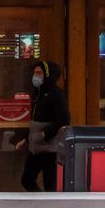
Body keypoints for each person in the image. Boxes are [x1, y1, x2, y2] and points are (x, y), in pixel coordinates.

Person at [18, 59, 68, 191]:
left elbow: (64, 119)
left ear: (47, 75)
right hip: (35, 147)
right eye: (34, 73)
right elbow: (35, 119)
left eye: (39, 73)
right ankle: (39, 203)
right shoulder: (37, 93)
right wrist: (26, 138)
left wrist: (45, 134)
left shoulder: (56, 94)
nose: (35, 76)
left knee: (49, 184)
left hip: (50, 148)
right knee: (27, 180)